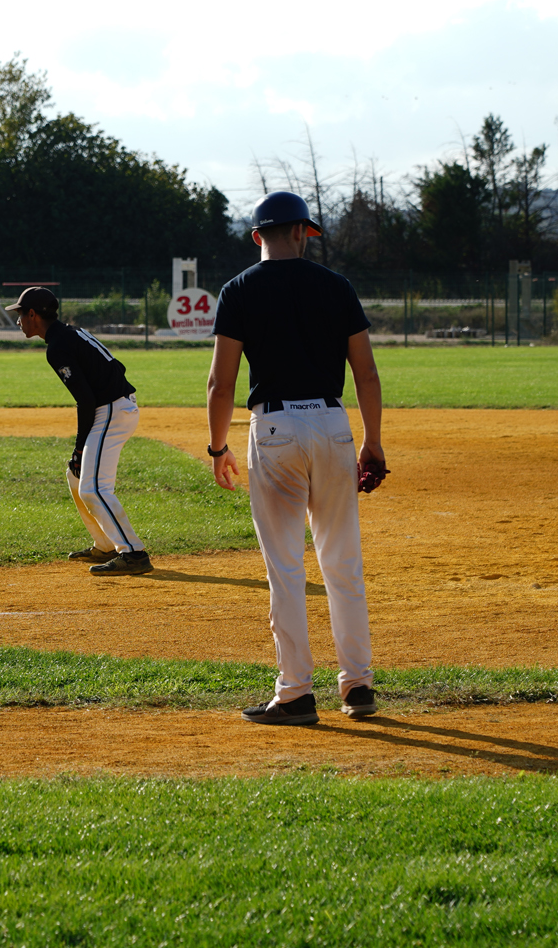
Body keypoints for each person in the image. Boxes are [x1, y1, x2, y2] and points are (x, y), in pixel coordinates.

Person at [206, 191, 382, 725]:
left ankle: (296, 693)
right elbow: (366, 373)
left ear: (258, 235)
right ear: (304, 233)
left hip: (276, 428)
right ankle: (357, 686)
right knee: (342, 564)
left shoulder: (239, 289)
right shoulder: (336, 285)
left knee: (286, 567)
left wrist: (218, 447)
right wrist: (372, 440)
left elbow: (222, 381)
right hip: (332, 424)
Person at [7, 286, 152, 576]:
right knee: (76, 477)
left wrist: (79, 447)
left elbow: (85, 399)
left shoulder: (57, 346)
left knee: (93, 488)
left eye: (21, 314)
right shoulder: (67, 333)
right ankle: (105, 544)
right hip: (112, 406)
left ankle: (133, 553)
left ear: (33, 314)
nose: (19, 320)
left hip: (111, 410)